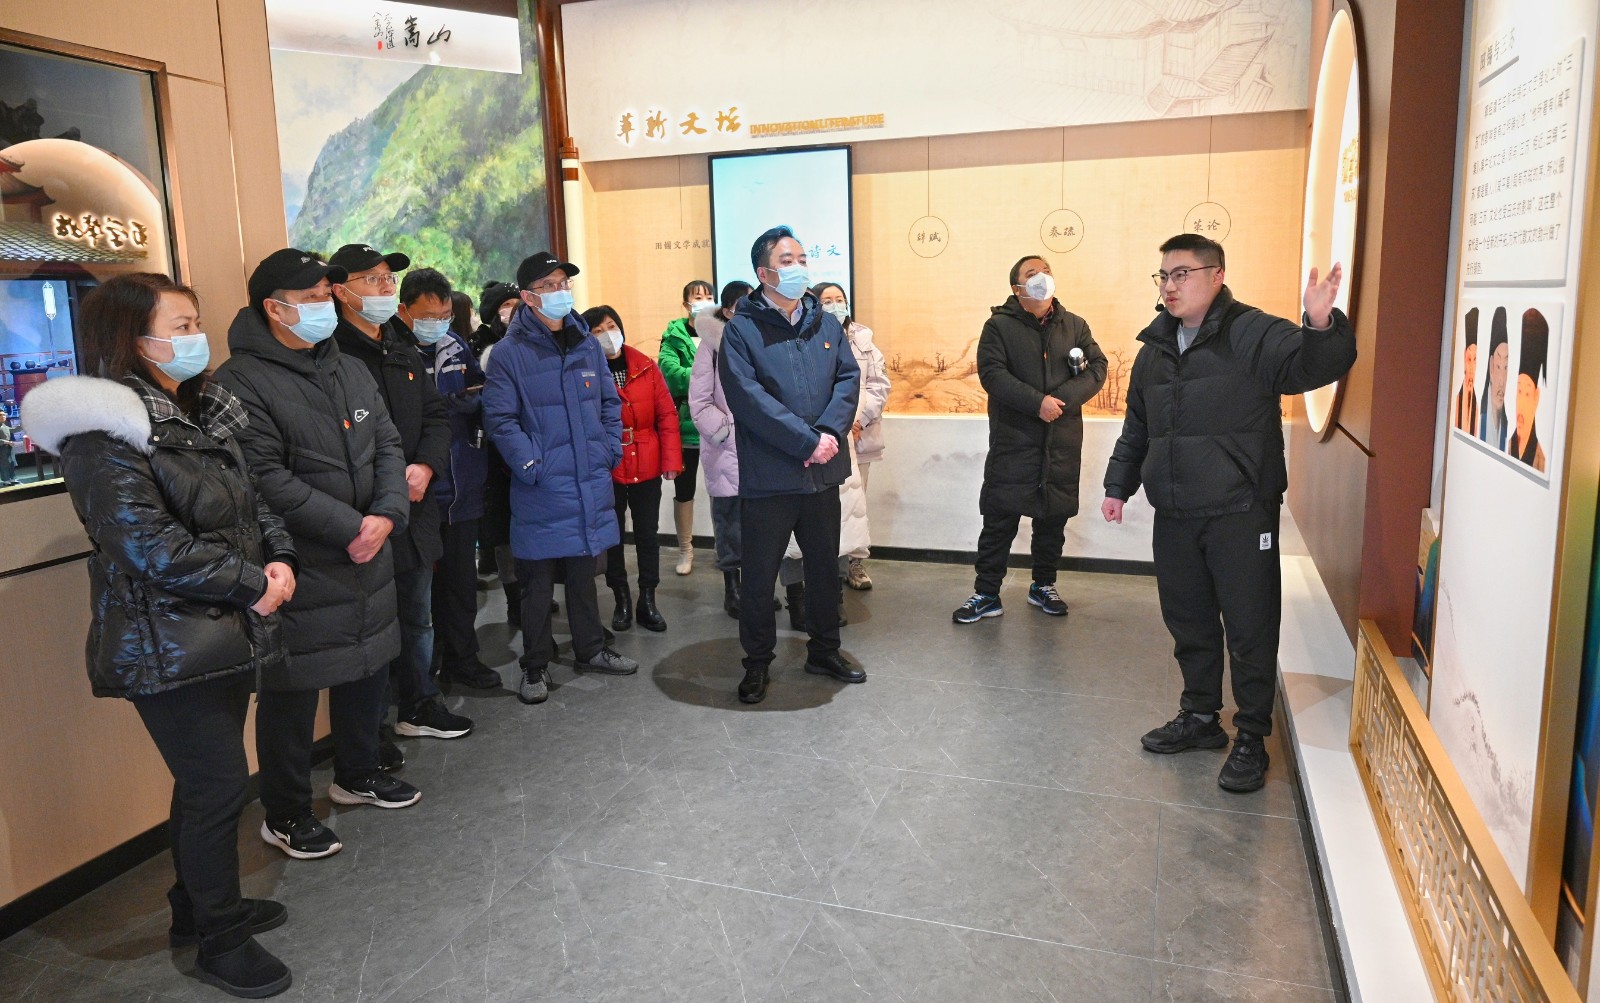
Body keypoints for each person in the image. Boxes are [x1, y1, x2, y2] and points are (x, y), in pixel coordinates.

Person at [22, 273, 296, 998]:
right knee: (218, 784)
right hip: (165, 642)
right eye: (180, 327)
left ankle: (195, 907)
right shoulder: (103, 435)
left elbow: (252, 504)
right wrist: (252, 583)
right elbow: (150, 547)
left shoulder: (199, 411)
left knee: (205, 783)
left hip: (220, 630)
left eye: (195, 323)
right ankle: (220, 938)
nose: (194, 338)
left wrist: (279, 559)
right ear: (132, 340)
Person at [1102, 233, 1355, 794]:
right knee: (1187, 620)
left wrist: (1320, 325)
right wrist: (1118, 485)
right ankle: (1200, 717)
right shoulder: (1154, 349)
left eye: (1182, 274)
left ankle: (1251, 737)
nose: (1170, 286)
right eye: (1163, 276)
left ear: (1216, 276)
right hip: (1175, 511)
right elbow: (1138, 426)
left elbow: (1314, 366)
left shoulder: (1253, 332)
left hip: (1241, 510)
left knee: (1249, 625)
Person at [216, 248, 420, 862]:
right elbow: (262, 478)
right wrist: (352, 527)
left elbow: (388, 443)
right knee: (293, 690)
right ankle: (285, 811)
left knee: (368, 663)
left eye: (326, 295)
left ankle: (358, 773)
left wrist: (386, 515)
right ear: (274, 308)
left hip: (369, 547)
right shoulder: (239, 381)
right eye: (310, 299)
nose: (324, 306)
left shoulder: (346, 365)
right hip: (301, 557)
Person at [329, 244, 473, 748]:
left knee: (418, 615)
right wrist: (392, 482)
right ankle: (371, 733)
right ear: (340, 290)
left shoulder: (400, 344)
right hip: (365, 512)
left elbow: (435, 416)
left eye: (388, 279)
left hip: (416, 506)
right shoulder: (331, 353)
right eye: (372, 279)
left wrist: (427, 465)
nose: (385, 288)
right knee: (369, 625)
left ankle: (419, 704)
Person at [484, 251, 640, 705]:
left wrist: (608, 449)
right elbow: (500, 420)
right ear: (528, 296)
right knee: (535, 582)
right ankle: (534, 665)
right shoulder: (510, 353)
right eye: (549, 285)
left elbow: (609, 402)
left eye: (563, 283)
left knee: (583, 573)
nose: (560, 292)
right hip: (543, 486)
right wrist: (532, 466)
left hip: (588, 478)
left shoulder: (585, 342)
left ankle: (591, 648)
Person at [719, 226, 863, 705]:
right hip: (770, 477)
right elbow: (747, 398)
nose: (799, 266)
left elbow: (848, 379)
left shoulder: (825, 323)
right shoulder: (742, 330)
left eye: (802, 258)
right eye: (787, 260)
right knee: (760, 578)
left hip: (822, 473)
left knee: (824, 570)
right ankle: (757, 662)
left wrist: (828, 435)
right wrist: (806, 441)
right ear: (764, 273)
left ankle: (824, 650)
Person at [953, 255, 1107, 625]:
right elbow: (992, 374)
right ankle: (986, 593)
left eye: (1047, 271)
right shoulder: (999, 326)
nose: (1043, 278)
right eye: (1032, 273)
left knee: (1052, 519)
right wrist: (1037, 403)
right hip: (1014, 438)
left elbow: (1098, 368)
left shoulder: (1075, 325)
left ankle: (1043, 585)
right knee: (999, 519)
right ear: (1016, 287)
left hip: (1061, 439)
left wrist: (1060, 402)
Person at [400, 268, 500, 690]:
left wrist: (474, 401)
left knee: (460, 585)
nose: (437, 324)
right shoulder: (395, 353)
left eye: (443, 315)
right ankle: (420, 678)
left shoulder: (455, 345)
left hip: (463, 486)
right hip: (418, 493)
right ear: (404, 311)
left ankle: (463, 659)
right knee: (419, 595)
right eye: (428, 317)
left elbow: (480, 388)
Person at [581, 305, 683, 633]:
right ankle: (621, 598)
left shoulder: (645, 366)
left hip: (647, 461)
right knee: (612, 535)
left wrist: (671, 460)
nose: (607, 335)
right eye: (597, 331)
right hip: (607, 465)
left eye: (611, 326)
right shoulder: (584, 370)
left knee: (647, 534)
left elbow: (666, 414)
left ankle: (647, 599)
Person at [814, 282, 890, 591]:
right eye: (827, 301)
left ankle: (854, 564)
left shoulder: (863, 340)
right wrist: (838, 424)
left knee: (857, 506)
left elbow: (878, 384)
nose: (836, 305)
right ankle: (825, 566)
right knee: (828, 507)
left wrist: (858, 419)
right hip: (828, 437)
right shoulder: (811, 337)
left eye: (840, 299)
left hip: (860, 436)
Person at [690, 280, 758, 617]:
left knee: (761, 525)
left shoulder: (761, 340)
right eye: (743, 305)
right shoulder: (711, 346)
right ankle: (733, 588)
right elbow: (700, 402)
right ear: (728, 311)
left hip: (761, 448)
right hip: (727, 448)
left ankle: (756, 588)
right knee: (730, 522)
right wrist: (729, 432)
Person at [658, 279, 716, 575]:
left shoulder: (721, 331)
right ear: (686, 304)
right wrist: (709, 374)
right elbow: (672, 375)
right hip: (685, 426)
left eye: (708, 296)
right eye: (697, 297)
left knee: (723, 489)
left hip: (719, 426)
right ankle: (686, 550)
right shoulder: (673, 336)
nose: (704, 301)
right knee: (684, 489)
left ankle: (726, 549)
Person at [1509, 308, 1548, 473]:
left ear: (1536, 398)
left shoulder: (1540, 460)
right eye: (1519, 392)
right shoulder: (1507, 445)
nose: (1522, 404)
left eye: (1527, 394)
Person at [1479, 307, 1509, 450]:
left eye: (1506, 367)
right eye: (1498, 366)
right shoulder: (1478, 416)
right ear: (1491, 366)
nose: (1502, 382)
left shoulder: (1507, 426)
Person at [1453, 308, 1479, 434]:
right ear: (1464, 358)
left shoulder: (1477, 406)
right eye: (1469, 359)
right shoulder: (1457, 399)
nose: (1472, 368)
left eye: (1475, 359)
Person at [0, 410, 16, 484]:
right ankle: (6, 480)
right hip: (1, 449)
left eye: (4, 415)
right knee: (4, 464)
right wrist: (7, 442)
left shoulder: (5, 426)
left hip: (9, 448)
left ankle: (12, 478)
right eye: (1, 415)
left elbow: (14, 430)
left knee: (12, 462)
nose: (3, 416)